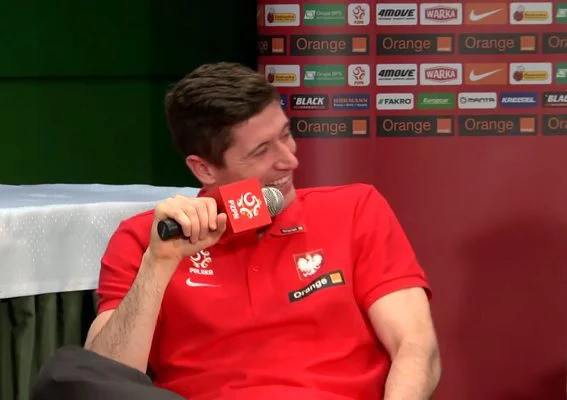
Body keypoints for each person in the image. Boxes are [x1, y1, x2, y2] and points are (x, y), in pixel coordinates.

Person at [33, 62, 441, 400]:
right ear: (204, 168)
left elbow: (416, 346)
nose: (289, 160)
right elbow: (104, 381)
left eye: (286, 135)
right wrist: (159, 264)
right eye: (261, 151)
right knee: (65, 373)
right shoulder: (147, 238)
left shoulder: (354, 208)